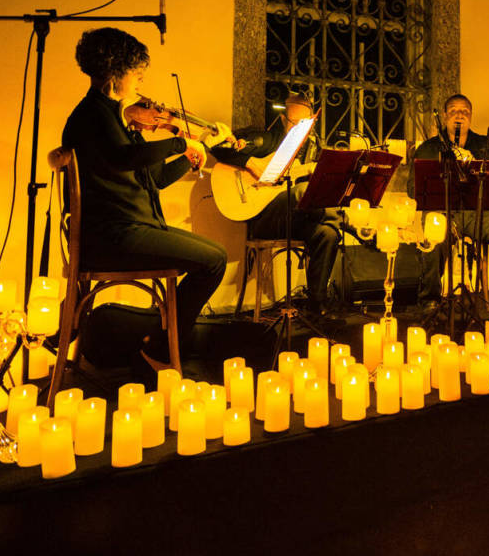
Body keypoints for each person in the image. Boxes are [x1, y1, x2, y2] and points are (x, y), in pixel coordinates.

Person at [62, 27, 227, 371]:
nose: (140, 83)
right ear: (115, 70)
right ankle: (161, 347)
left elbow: (155, 179)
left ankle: (158, 340)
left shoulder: (115, 117)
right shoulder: (93, 115)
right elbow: (122, 158)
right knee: (213, 261)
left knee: (213, 256)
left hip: (134, 228)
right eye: (137, 75)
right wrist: (181, 143)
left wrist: (197, 151)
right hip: (114, 237)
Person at [211, 92, 341, 317]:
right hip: (264, 219)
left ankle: (317, 304)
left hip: (296, 219)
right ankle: (347, 223)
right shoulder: (267, 140)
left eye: (305, 124)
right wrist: (250, 162)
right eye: (294, 122)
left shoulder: (312, 149)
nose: (299, 129)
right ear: (283, 120)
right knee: (301, 192)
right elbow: (217, 146)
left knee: (328, 233)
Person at [411, 94, 489, 312]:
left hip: (478, 212)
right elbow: (412, 188)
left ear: (471, 117)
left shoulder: (485, 144)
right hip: (442, 211)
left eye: (465, 112)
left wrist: (474, 166)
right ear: (444, 117)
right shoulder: (428, 148)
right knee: (433, 237)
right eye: (453, 111)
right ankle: (429, 299)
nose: (459, 116)